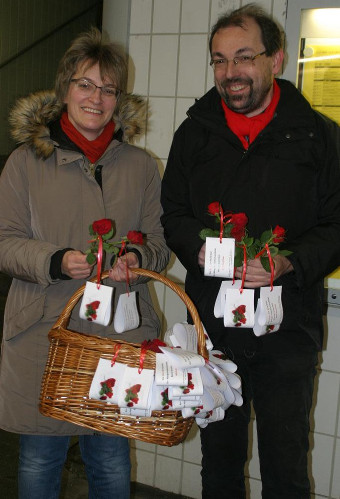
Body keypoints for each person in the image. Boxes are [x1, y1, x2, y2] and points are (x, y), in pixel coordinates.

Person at [161, 4, 340, 498]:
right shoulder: (195, 132)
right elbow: (173, 211)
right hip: (214, 324)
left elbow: (336, 224)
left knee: (286, 464)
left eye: (243, 57)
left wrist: (288, 262)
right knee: (219, 459)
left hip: (288, 324)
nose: (230, 73)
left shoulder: (319, 137)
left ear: (275, 59)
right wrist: (196, 250)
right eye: (219, 60)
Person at [0, 28, 170, 499]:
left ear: (120, 98)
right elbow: (4, 241)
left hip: (118, 331)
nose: (97, 98)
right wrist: (55, 260)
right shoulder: (24, 162)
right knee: (40, 457)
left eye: (109, 88)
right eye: (85, 84)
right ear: (64, 90)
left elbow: (159, 240)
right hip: (42, 328)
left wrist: (137, 257)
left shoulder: (139, 165)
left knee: (111, 457)